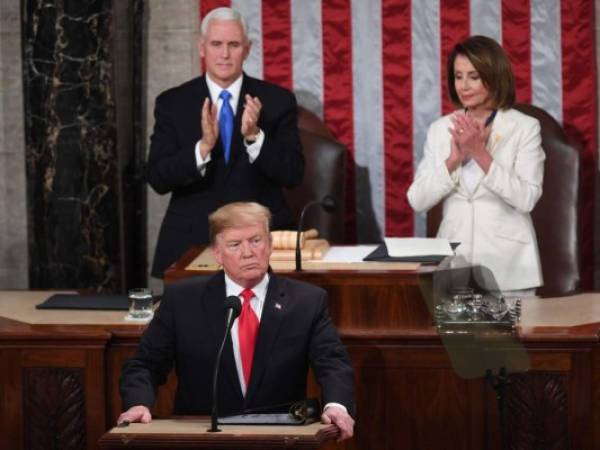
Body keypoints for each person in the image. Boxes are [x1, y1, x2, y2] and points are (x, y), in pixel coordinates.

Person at [119, 202, 355, 441]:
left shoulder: (306, 301)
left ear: (270, 245)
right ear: (217, 254)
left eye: (256, 240)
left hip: (280, 438)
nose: (248, 252)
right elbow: (145, 365)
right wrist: (139, 403)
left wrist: (336, 405)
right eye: (234, 244)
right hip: (203, 437)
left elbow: (332, 362)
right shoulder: (182, 300)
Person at [147, 7, 304, 278]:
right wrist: (202, 148)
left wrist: (255, 137)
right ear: (202, 47)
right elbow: (158, 178)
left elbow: (293, 174)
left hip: (259, 242)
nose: (224, 54)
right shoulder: (172, 103)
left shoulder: (278, 101)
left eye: (233, 45)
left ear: (247, 48)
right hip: (191, 240)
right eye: (216, 44)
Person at [407, 36, 545, 295]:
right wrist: (453, 160)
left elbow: (526, 198)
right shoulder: (440, 130)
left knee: (508, 337)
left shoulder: (524, 128)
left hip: (509, 270)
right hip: (453, 271)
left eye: (473, 76)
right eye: (458, 76)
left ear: (493, 77)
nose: (464, 86)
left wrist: (481, 154)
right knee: (457, 338)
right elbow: (417, 200)